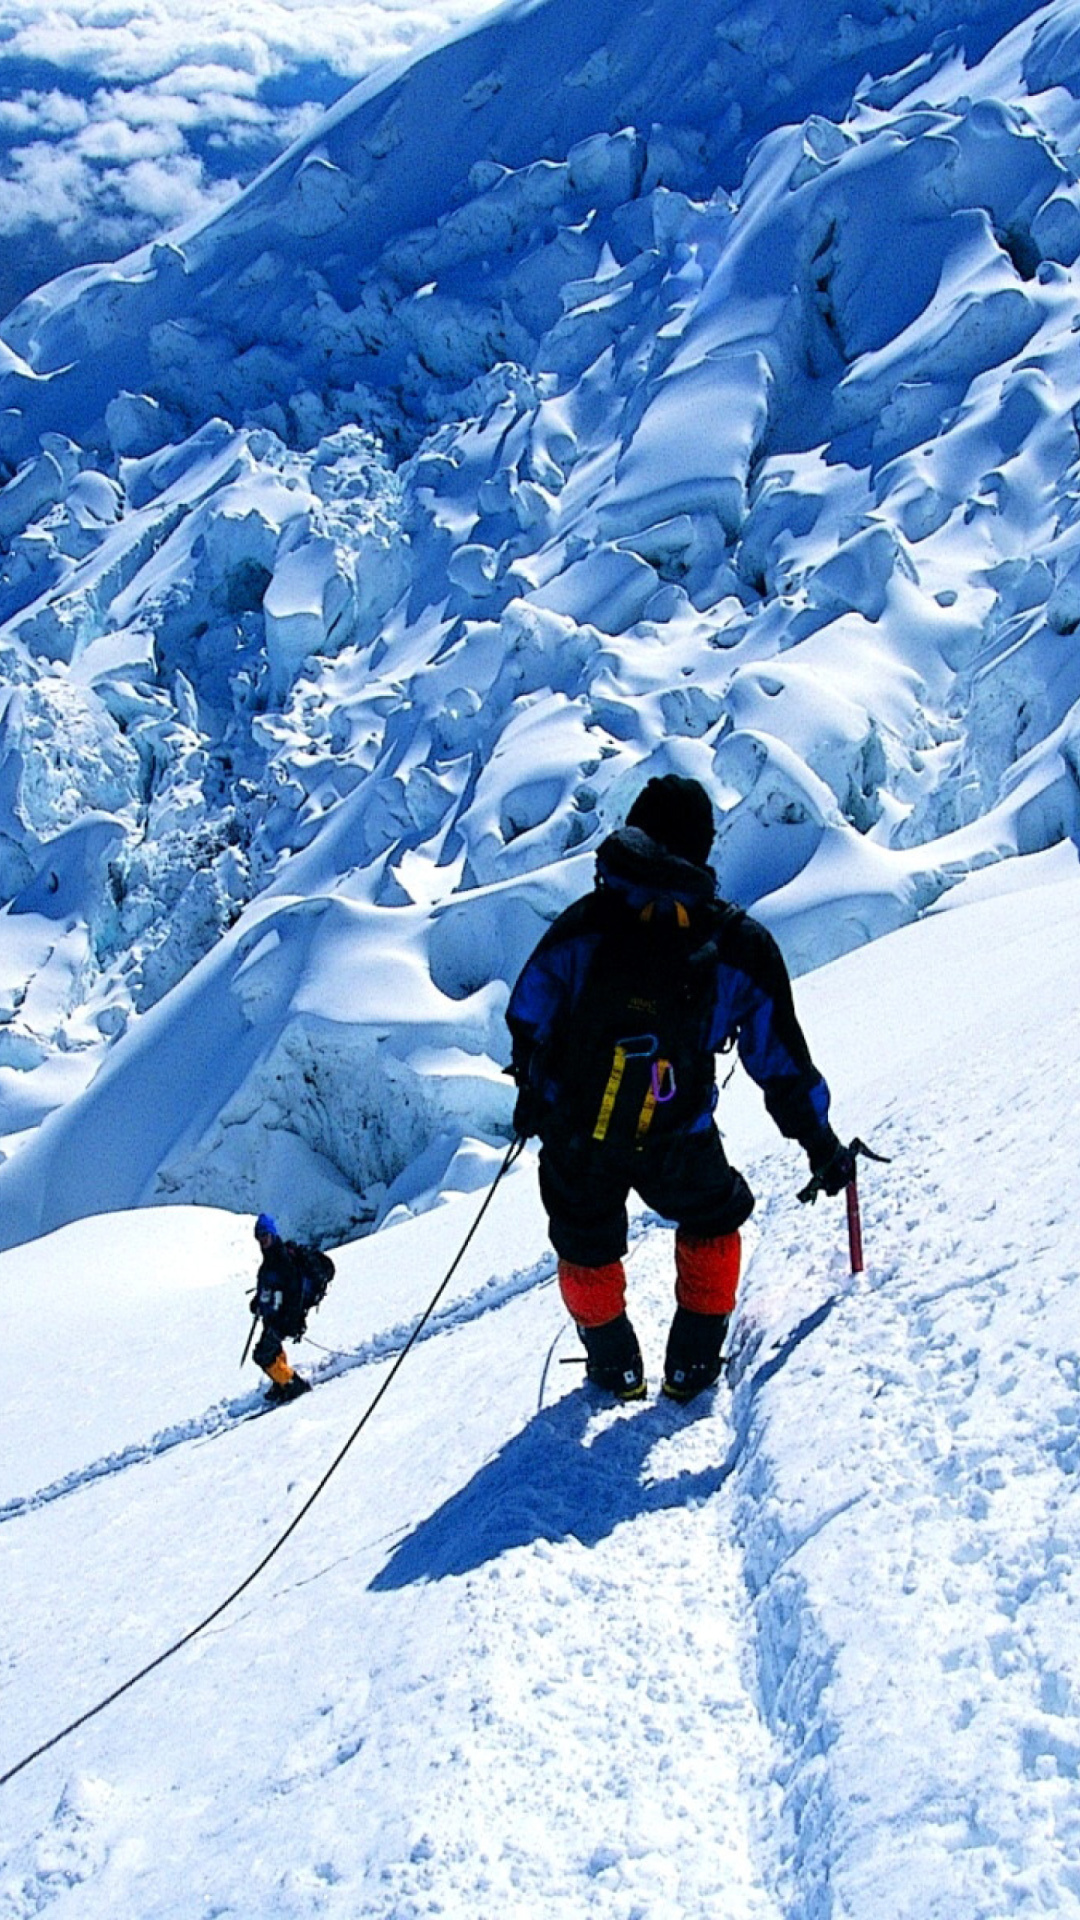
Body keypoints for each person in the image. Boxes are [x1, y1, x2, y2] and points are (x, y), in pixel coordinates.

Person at [505, 773, 854, 1403]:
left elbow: (528, 1012)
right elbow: (778, 1060)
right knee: (711, 1217)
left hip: (578, 1129)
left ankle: (615, 1367)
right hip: (679, 1129)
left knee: (585, 1242)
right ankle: (693, 1361)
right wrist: (819, 1143)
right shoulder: (736, 944)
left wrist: (532, 1088)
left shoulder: (585, 924)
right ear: (702, 847)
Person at [250, 1213, 313, 1403]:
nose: (262, 1240)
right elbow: (268, 1287)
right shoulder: (270, 1261)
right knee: (272, 1351)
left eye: (265, 1235)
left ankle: (294, 1384)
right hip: (273, 1316)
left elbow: (294, 1292)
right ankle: (281, 1382)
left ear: (273, 1234)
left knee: (262, 1355)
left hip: (283, 1318)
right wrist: (257, 1302)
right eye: (259, 1236)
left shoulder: (282, 1261)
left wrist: (293, 1320)